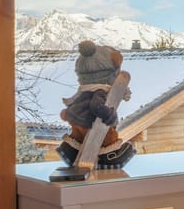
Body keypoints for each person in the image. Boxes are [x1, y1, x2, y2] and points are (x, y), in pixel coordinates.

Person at [56, 40, 135, 168]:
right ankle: (110, 157)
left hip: (78, 120)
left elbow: (74, 104)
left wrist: (67, 114)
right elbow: (96, 106)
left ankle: (71, 151)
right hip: (92, 123)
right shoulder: (100, 91)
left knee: (78, 137)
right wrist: (109, 115)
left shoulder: (84, 91)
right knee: (107, 138)